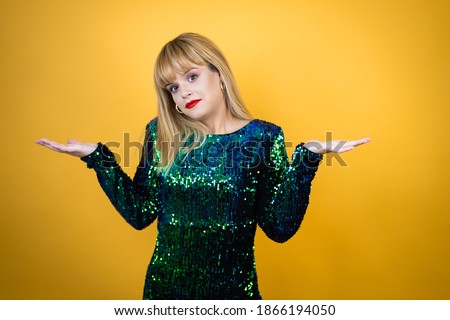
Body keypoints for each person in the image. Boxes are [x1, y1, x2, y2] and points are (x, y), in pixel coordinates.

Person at [36, 33, 370, 299]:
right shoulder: (160, 133)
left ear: (219, 75)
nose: (183, 93)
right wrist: (98, 157)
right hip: (165, 297)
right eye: (174, 88)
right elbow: (141, 213)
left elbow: (279, 228)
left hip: (233, 298)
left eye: (192, 76)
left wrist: (307, 159)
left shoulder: (264, 138)